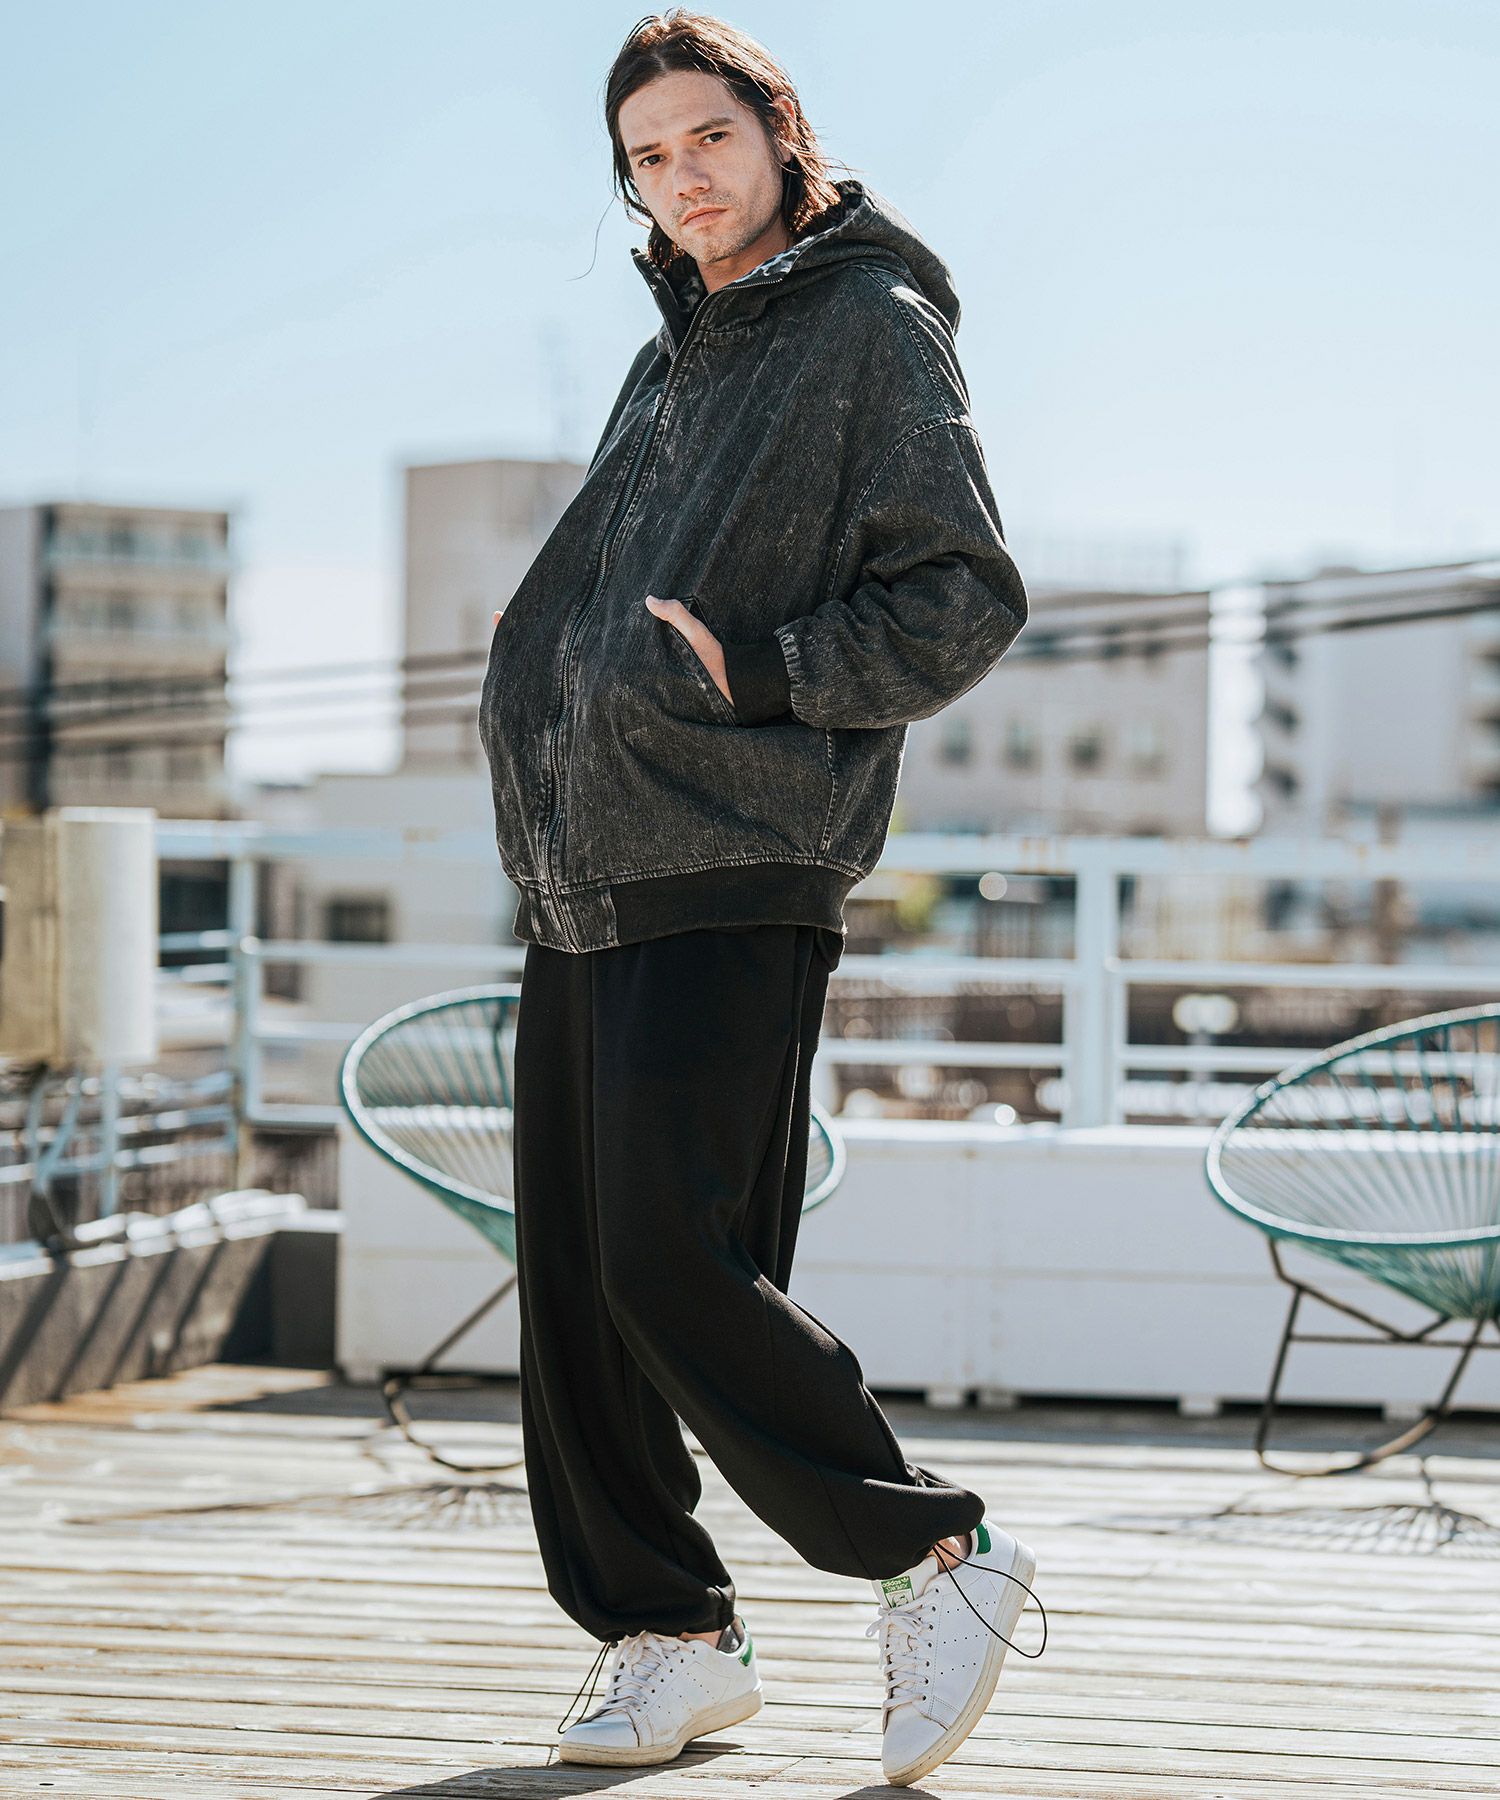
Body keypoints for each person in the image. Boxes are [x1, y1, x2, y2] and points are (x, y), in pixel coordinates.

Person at [476, 8, 1044, 1784]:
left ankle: (934, 1554)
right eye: (648, 157)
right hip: (582, 864)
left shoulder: (868, 324)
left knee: (671, 1257)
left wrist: (766, 675)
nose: (683, 178)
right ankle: (668, 1636)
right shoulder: (676, 353)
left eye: (708, 137)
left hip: (731, 853)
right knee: (580, 1286)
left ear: (780, 132)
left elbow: (961, 594)